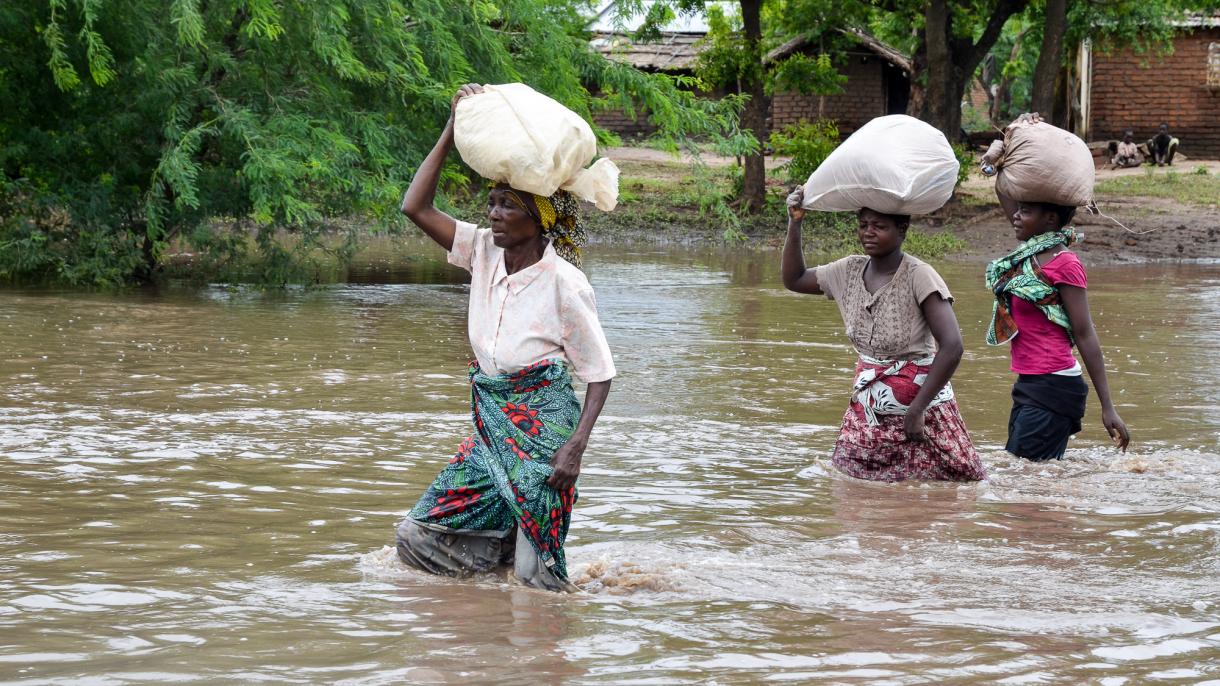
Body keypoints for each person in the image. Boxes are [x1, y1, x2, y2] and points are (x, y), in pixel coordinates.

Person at [395, 84, 615, 592]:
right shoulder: (482, 253)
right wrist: (453, 128)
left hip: (544, 433)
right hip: (492, 425)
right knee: (416, 536)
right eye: (491, 203)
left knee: (538, 583)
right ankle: (491, 577)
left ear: (538, 220)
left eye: (506, 206)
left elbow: (600, 375)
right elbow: (414, 206)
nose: (492, 214)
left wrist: (574, 450)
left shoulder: (565, 283)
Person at [781, 187, 986, 482]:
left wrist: (917, 410)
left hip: (922, 409)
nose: (869, 233)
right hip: (869, 407)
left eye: (879, 226)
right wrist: (795, 222)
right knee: (856, 484)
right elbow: (794, 279)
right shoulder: (848, 270)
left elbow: (952, 346)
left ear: (902, 229)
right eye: (863, 226)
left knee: (953, 482)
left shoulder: (919, 275)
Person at [985, 201, 1131, 461]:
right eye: (1018, 210)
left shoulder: (1065, 264)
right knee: (1027, 478)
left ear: (1051, 219)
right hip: (1030, 384)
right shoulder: (1027, 254)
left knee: (1024, 481)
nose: (1015, 217)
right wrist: (999, 160)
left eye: (1025, 211)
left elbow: (1085, 334)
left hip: (1053, 385)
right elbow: (1006, 191)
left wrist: (1108, 407)